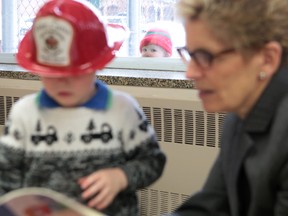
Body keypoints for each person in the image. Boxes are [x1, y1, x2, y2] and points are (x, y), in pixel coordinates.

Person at [0, 0, 166, 216]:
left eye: (75, 73)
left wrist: (121, 176)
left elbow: (153, 161)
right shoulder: (24, 113)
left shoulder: (122, 109)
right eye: (52, 74)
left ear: (98, 65)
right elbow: (7, 176)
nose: (63, 82)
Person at [170, 0, 288, 215]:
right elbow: (211, 205)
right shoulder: (240, 115)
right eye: (191, 55)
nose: (190, 73)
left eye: (206, 56)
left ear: (267, 59)